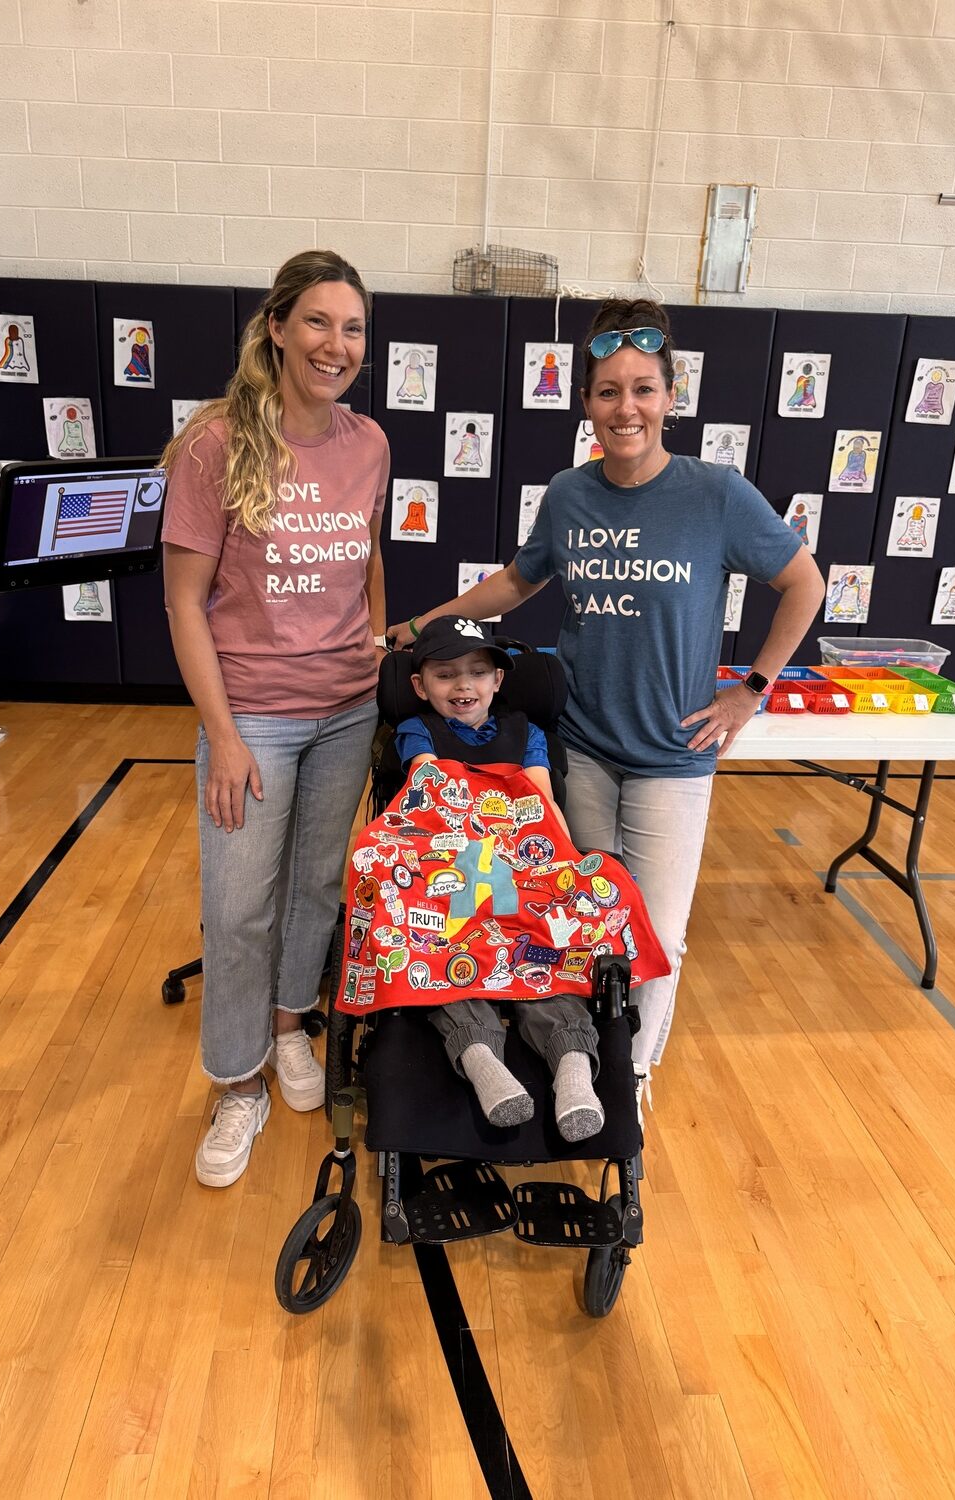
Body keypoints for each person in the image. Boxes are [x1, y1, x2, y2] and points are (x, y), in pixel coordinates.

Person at [390, 298, 824, 1120]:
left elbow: (802, 582)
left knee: (654, 935)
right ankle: (577, 1063)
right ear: (584, 402)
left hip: (673, 754)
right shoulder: (568, 494)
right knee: (581, 918)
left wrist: (752, 688)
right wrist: (422, 625)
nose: (625, 408)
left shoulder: (716, 495)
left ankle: (631, 1085)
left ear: (669, 395)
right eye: (606, 391)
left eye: (642, 389)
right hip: (582, 747)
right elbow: (518, 582)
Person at [162, 250, 390, 1188]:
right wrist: (221, 735)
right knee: (238, 908)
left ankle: (291, 1031)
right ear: (276, 328)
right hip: (252, 714)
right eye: (318, 323)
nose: (335, 345)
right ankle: (235, 1083)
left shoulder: (367, 443)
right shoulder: (217, 443)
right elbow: (183, 603)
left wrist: (377, 640)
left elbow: (367, 554)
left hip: (345, 708)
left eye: (352, 329)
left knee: (315, 890)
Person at [396, 616, 605, 1142]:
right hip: (448, 859)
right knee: (438, 944)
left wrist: (568, 863)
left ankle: (573, 1068)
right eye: (446, 675)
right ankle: (481, 1057)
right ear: (420, 686)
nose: (463, 685)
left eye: (477, 672)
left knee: (544, 945)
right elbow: (433, 788)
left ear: (497, 681)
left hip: (521, 860)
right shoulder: (418, 730)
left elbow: (542, 798)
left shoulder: (526, 733)